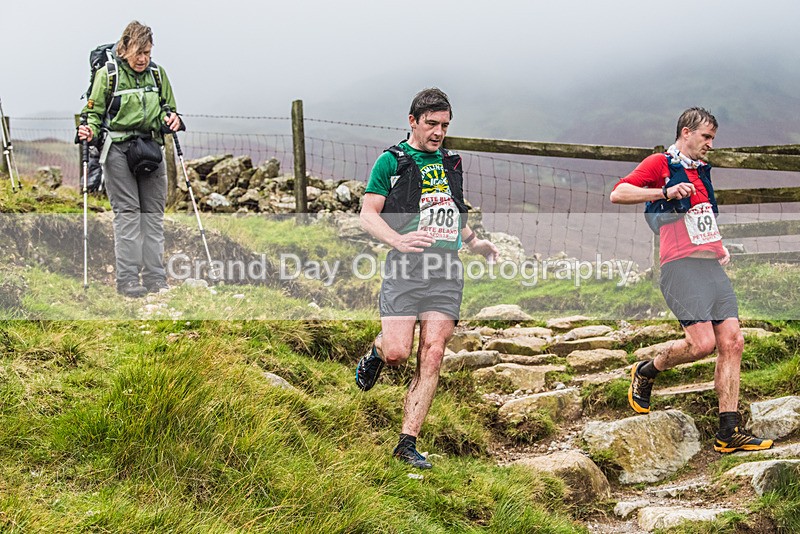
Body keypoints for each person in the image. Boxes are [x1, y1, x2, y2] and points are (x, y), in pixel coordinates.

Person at [610, 107, 772, 453]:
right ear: (686, 132)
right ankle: (647, 370)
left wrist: (718, 246)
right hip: (679, 269)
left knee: (733, 341)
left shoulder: (702, 173)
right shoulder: (660, 164)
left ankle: (728, 431)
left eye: (713, 138)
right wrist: (663, 193)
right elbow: (619, 193)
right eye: (706, 137)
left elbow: (700, 219)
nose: (710, 144)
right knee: (702, 345)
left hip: (711, 268)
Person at [355, 88, 499, 469]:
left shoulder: (452, 161)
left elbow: (452, 209)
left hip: (446, 269)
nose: (438, 132)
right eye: (431, 124)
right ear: (413, 121)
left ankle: (406, 444)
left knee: (433, 352)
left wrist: (474, 241)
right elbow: (368, 214)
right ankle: (377, 350)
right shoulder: (391, 161)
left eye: (445, 125)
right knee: (398, 353)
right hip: (406, 267)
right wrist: (398, 239)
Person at [77, 21, 182, 297]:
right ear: (124, 48)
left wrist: (172, 119)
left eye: (147, 52)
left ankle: (156, 278)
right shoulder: (108, 75)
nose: (143, 59)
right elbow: (93, 114)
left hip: (150, 148)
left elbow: (166, 109)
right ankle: (127, 280)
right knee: (128, 216)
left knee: (153, 217)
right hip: (118, 151)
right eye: (138, 52)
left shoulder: (158, 75)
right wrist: (88, 129)